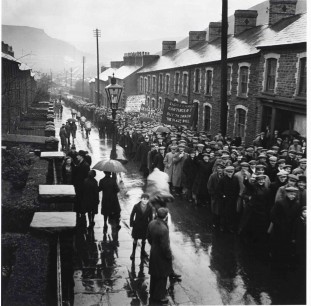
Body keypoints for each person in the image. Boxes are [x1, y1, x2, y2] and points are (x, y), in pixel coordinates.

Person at [147, 207, 173, 304]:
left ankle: (152, 292)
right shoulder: (164, 229)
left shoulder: (151, 223)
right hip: (161, 255)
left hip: (154, 251)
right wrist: (169, 256)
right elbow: (165, 246)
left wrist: (154, 245)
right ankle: (160, 296)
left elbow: (148, 237)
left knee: (154, 273)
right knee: (162, 276)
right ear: (166, 216)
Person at [129, 193, 153, 261]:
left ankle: (142, 251)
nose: (145, 201)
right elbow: (132, 215)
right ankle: (133, 253)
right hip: (137, 225)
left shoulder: (150, 207)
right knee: (135, 239)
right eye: (143, 199)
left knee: (144, 240)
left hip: (145, 226)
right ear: (141, 199)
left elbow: (151, 218)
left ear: (148, 200)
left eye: (146, 200)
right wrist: (132, 223)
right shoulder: (136, 206)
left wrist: (150, 226)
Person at [72, 150, 90, 224]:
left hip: (82, 186)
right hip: (78, 185)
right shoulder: (80, 163)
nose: (77, 156)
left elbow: (86, 176)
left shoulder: (85, 165)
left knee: (81, 198)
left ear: (81, 157)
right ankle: (79, 211)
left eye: (78, 155)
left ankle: (82, 212)